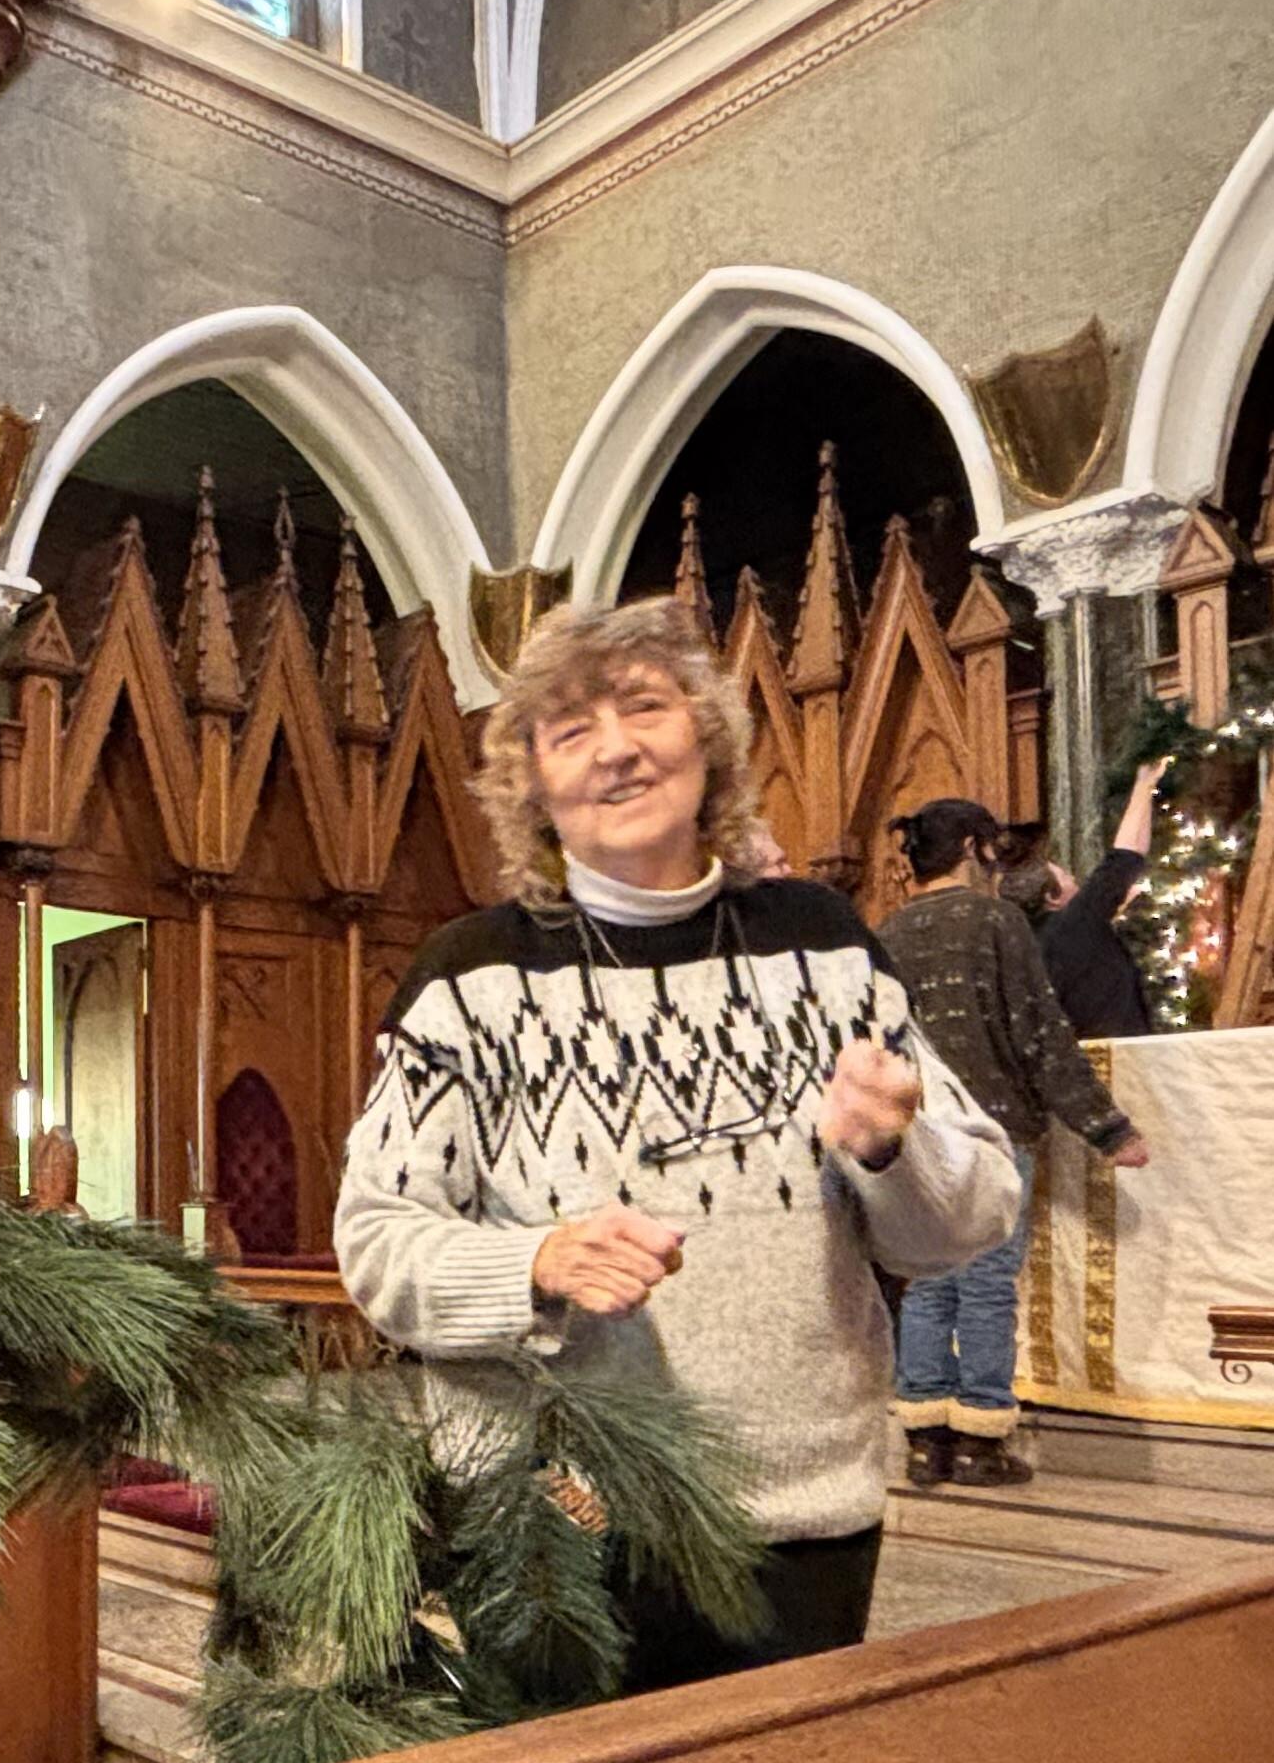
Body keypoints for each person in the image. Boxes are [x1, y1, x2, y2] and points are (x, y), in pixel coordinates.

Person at [335, 598, 1020, 1695]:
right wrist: (531, 1262)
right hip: (547, 1521)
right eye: (571, 729)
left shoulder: (826, 948)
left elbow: (971, 1216)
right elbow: (376, 1243)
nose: (615, 748)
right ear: (534, 784)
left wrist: (897, 1148)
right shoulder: (466, 977)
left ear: (706, 741)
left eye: (645, 708)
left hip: (795, 1514)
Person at [878, 799, 1149, 1488]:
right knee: (987, 1284)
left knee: (928, 1281)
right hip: (993, 1130)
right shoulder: (996, 921)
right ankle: (980, 1438)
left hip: (918, 1135)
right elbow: (1040, 1033)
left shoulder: (888, 931)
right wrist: (1109, 1128)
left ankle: (925, 1439)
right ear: (974, 847)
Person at [998, 760, 1167, 1039]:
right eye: (1065, 877)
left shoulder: (1022, 943)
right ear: (1052, 898)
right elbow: (1128, 853)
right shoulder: (1077, 920)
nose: (1074, 879)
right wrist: (1144, 785)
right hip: (1119, 1054)